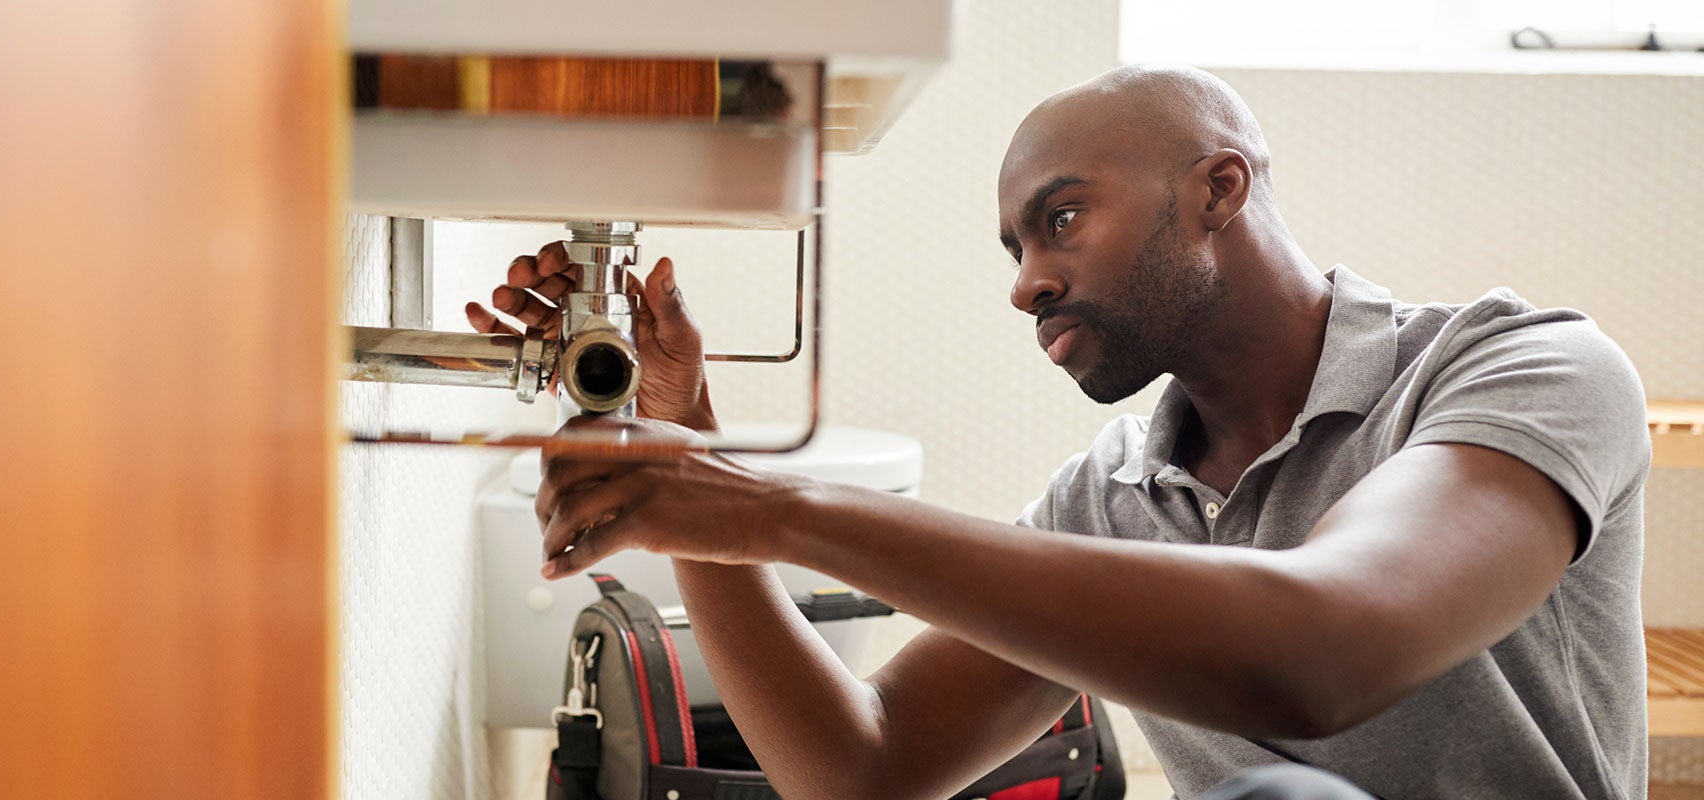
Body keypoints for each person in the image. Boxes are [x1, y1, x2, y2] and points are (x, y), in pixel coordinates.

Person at [465, 64, 1650, 800]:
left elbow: (1320, 654)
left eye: (1061, 219)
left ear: (1218, 190)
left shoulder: (1520, 367)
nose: (1028, 284)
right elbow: (860, 767)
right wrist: (698, 464)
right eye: (1015, 250)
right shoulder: (1116, 493)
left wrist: (774, 507)